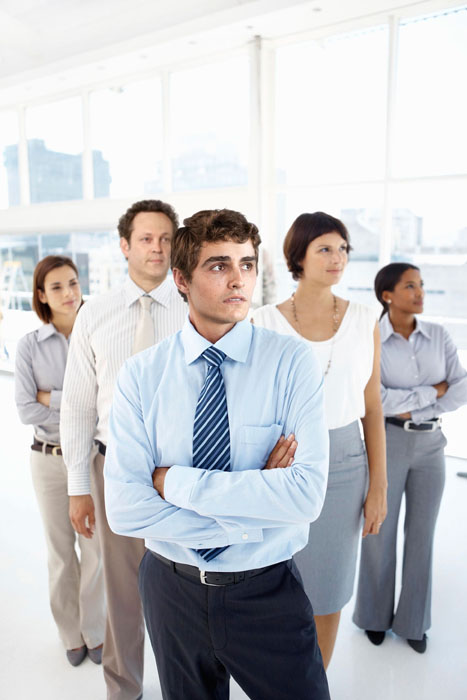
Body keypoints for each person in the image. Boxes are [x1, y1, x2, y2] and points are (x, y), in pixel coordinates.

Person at [104, 208, 331, 700]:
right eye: (219, 266)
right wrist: (255, 510)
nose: (238, 280)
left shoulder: (292, 363)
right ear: (181, 279)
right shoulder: (141, 376)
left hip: (268, 592)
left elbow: (306, 497)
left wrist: (171, 483)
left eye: (247, 265)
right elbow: (125, 509)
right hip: (171, 592)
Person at [60, 200, 187, 700]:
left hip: (184, 471)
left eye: (165, 239)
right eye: (145, 239)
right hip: (113, 467)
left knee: (184, 587)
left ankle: (190, 683)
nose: (156, 248)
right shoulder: (97, 313)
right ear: (125, 246)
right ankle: (123, 688)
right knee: (122, 590)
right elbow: (76, 406)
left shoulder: (195, 304)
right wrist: (77, 488)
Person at [252, 211, 387, 668]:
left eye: (343, 248)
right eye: (325, 248)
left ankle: (315, 683)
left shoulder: (366, 318)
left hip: (348, 462)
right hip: (282, 461)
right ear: (298, 256)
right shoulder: (263, 322)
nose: (338, 258)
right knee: (275, 583)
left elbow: (372, 408)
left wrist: (379, 488)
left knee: (328, 590)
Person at [353, 262, 467, 653]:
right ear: (387, 294)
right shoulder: (372, 339)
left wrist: (413, 407)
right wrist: (429, 393)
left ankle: (414, 622)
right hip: (386, 443)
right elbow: (376, 400)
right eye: (410, 286)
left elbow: (460, 387)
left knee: (422, 535)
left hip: (433, 445)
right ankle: (372, 617)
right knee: (377, 531)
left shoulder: (438, 335)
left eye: (422, 285)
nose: (420, 293)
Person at [15, 255, 105, 667]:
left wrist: (53, 396)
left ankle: (95, 629)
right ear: (41, 296)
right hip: (49, 461)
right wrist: (77, 404)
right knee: (60, 551)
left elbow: (106, 404)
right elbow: (26, 410)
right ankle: (71, 634)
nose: (69, 293)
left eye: (73, 283)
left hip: (91, 459)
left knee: (97, 550)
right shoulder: (29, 346)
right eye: (57, 287)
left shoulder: (100, 333)